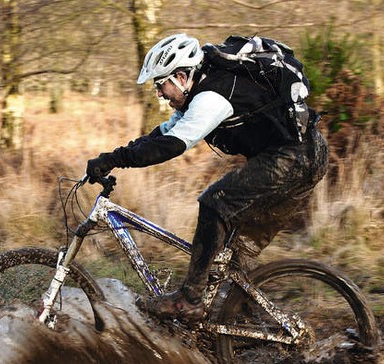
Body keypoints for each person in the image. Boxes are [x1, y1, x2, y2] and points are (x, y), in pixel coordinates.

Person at [86, 33, 328, 321]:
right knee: (235, 257)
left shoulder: (212, 96)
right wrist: (111, 157)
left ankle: (189, 299)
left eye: (160, 85)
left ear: (180, 76)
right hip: (299, 156)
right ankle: (251, 330)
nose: (160, 94)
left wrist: (117, 161)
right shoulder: (198, 93)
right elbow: (162, 134)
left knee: (215, 203)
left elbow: (171, 145)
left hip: (296, 159)